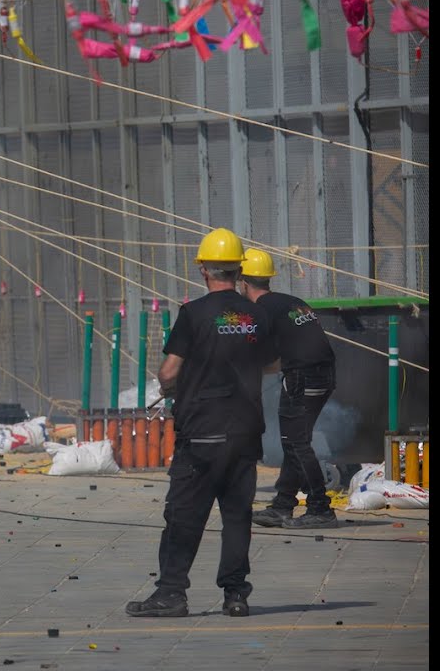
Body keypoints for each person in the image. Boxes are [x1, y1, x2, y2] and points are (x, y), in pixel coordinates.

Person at [126, 228, 277, 619]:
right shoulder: (256, 314)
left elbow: (168, 372)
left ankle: (171, 593)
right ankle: (235, 595)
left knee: (184, 514)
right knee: (237, 517)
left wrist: (184, 381)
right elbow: (273, 363)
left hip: (203, 431)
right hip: (245, 430)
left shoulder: (193, 314)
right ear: (238, 271)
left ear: (204, 271)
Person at [239, 248, 339, 530]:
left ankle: (320, 508)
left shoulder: (259, 311)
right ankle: (283, 505)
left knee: (296, 443)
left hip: (302, 378)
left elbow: (258, 357)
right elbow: (278, 357)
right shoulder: (290, 302)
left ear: (244, 282)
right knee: (293, 440)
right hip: (323, 374)